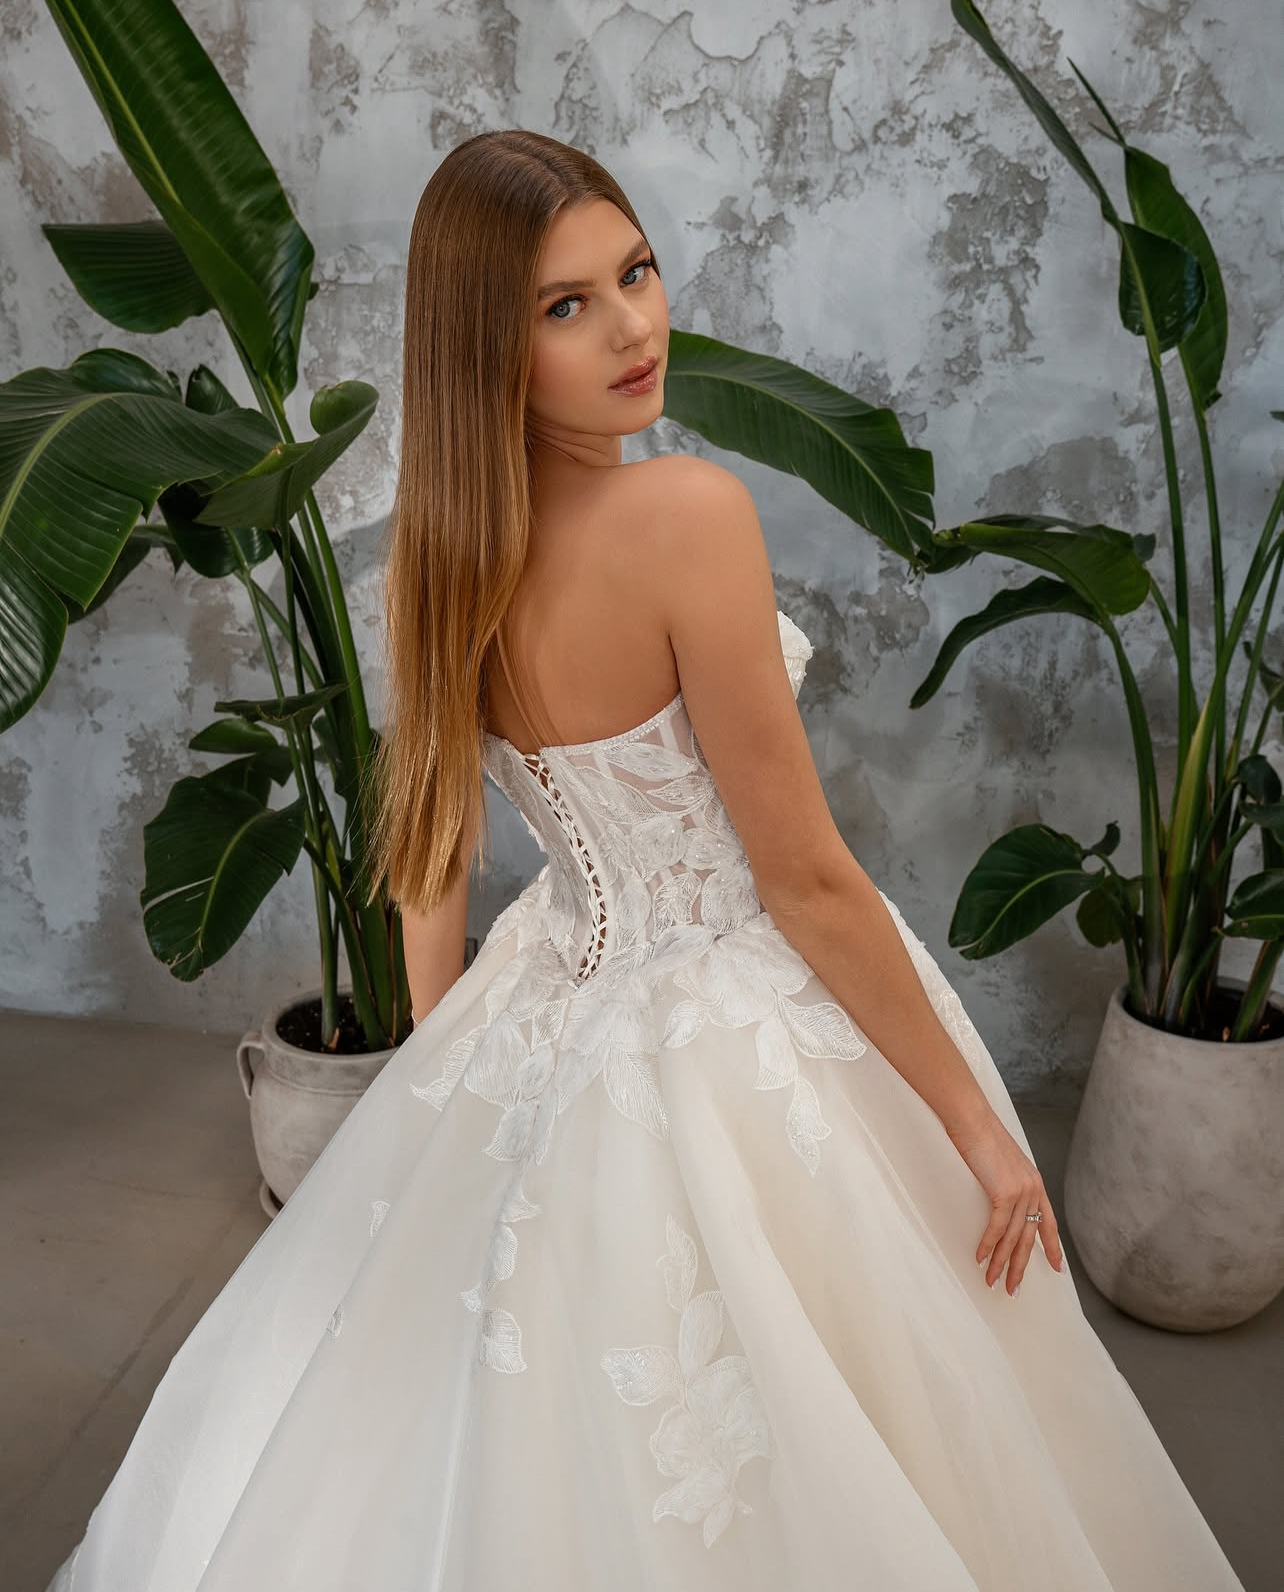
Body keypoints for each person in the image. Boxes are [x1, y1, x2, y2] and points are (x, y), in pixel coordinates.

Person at [47, 129, 1246, 1592]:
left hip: (548, 998)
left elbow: (429, 854)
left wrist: (449, 1092)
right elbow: (803, 882)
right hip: (731, 1003)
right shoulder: (688, 517)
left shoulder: (442, 557)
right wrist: (985, 1139)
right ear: (490, 346)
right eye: (566, 306)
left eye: (636, 271)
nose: (631, 326)